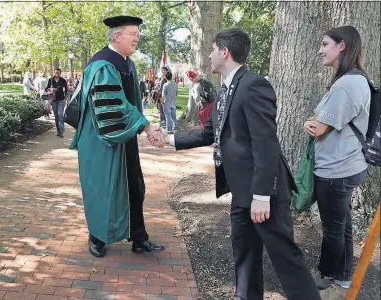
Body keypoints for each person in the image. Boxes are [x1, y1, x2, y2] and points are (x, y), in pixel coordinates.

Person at [155, 28, 321, 300]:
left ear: (224, 52)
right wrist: (169, 139)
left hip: (263, 192)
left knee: (285, 257)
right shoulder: (225, 89)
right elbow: (209, 134)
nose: (208, 55)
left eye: (211, 49)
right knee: (244, 250)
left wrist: (261, 196)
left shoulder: (254, 85)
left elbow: (265, 144)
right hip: (241, 191)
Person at [69, 15, 166, 258]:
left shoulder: (127, 64)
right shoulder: (102, 65)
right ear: (116, 36)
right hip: (102, 141)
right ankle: (97, 238)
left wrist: (142, 127)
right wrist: (145, 125)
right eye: (133, 34)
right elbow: (114, 107)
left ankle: (138, 237)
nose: (137, 38)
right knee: (103, 188)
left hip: (124, 138)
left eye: (137, 34)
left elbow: (131, 103)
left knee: (134, 185)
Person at [303, 26, 370, 298]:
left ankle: (326, 275)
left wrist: (309, 122)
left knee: (334, 229)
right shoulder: (356, 80)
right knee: (342, 226)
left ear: (342, 46)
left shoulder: (346, 84)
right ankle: (342, 277)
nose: (320, 50)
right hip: (347, 165)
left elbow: (318, 128)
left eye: (325, 44)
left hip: (337, 170)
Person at [45, 68, 68, 137]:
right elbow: (46, 89)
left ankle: (62, 131)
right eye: (55, 73)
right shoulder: (51, 80)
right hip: (53, 100)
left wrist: (65, 100)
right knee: (56, 115)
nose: (56, 74)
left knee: (60, 114)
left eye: (58, 73)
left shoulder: (63, 80)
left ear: (60, 73)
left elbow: (66, 91)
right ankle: (58, 130)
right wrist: (51, 89)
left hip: (61, 99)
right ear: (54, 73)